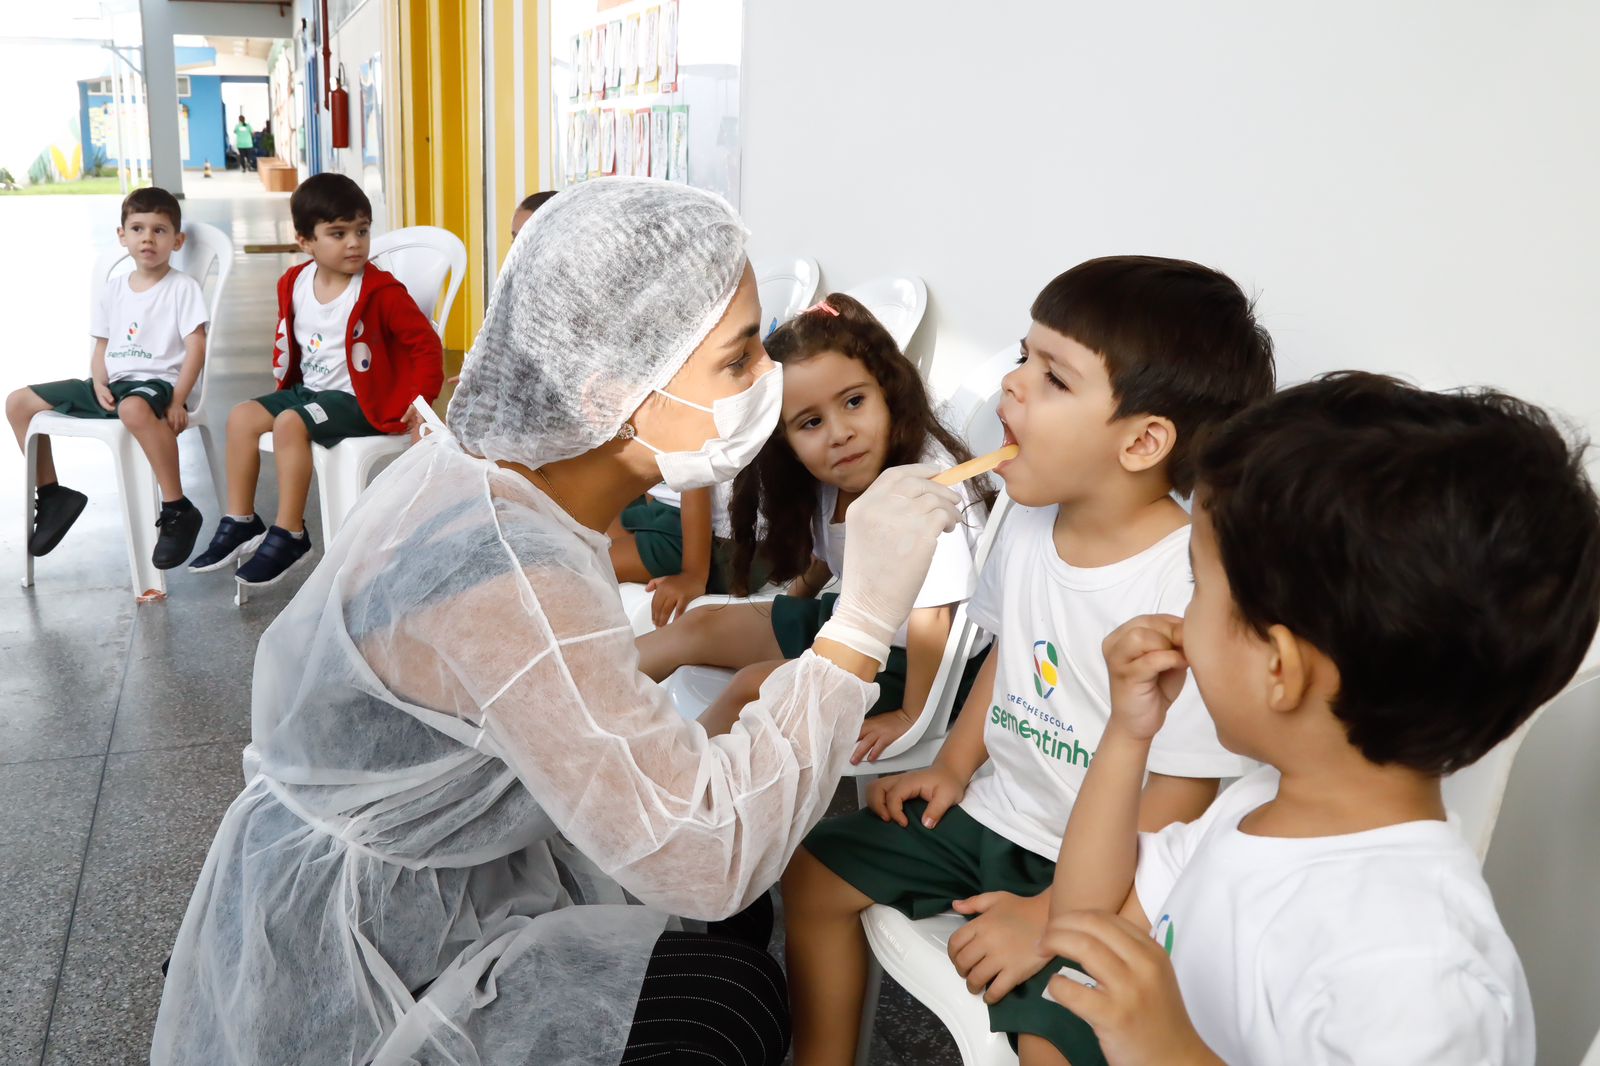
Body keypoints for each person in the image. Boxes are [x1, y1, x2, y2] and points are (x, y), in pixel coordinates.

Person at [151, 177, 963, 1066]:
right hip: (378, 937)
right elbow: (707, 854)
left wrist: (730, 717)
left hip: (451, 858)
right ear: (616, 388)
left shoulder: (506, 483)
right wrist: (864, 615)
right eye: (738, 363)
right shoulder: (511, 571)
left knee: (731, 926)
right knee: (729, 999)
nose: (768, 384)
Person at [781, 257, 1278, 1065]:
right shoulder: (1024, 513)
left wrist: (1055, 913)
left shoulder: (1188, 582)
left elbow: (1181, 792)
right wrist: (952, 764)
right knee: (813, 877)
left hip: (1107, 872)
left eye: (1052, 377)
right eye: (1022, 355)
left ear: (1144, 441)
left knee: (1057, 1043)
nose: (1012, 386)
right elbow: (1011, 656)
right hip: (993, 811)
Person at [1034, 373, 1600, 1065]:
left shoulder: (1416, 968)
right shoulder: (1259, 806)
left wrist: (1172, 1053)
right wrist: (1128, 735)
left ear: (1279, 666)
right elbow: (1082, 927)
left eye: (1198, 586)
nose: (1184, 616)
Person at [635, 293, 991, 753]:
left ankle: (676, 791)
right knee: (700, 623)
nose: (840, 432)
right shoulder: (832, 477)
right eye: (810, 423)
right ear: (784, 439)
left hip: (929, 667)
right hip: (858, 628)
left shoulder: (926, 485)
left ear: (887, 391)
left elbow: (934, 619)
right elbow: (829, 556)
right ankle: (578, 720)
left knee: (752, 686)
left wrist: (911, 715)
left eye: (854, 401)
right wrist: (788, 608)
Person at [188, 173, 443, 586]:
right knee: (241, 417)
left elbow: (426, 348)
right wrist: (283, 383)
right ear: (306, 240)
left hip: (361, 400)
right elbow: (291, 342)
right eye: (337, 233)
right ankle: (241, 520)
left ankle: (291, 533)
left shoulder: (381, 292)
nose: (354, 243)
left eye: (362, 231)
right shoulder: (293, 283)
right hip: (308, 392)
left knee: (290, 423)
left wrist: (419, 402)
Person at [5, 186, 209, 570]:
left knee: (133, 409)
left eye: (160, 230)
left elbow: (195, 346)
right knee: (18, 402)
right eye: (137, 228)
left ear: (177, 240)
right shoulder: (114, 289)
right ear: (122, 236)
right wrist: (97, 382)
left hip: (156, 384)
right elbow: (101, 347)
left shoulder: (182, 288)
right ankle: (52, 495)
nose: (147, 238)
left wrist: (179, 399)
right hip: (110, 385)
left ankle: (178, 507)